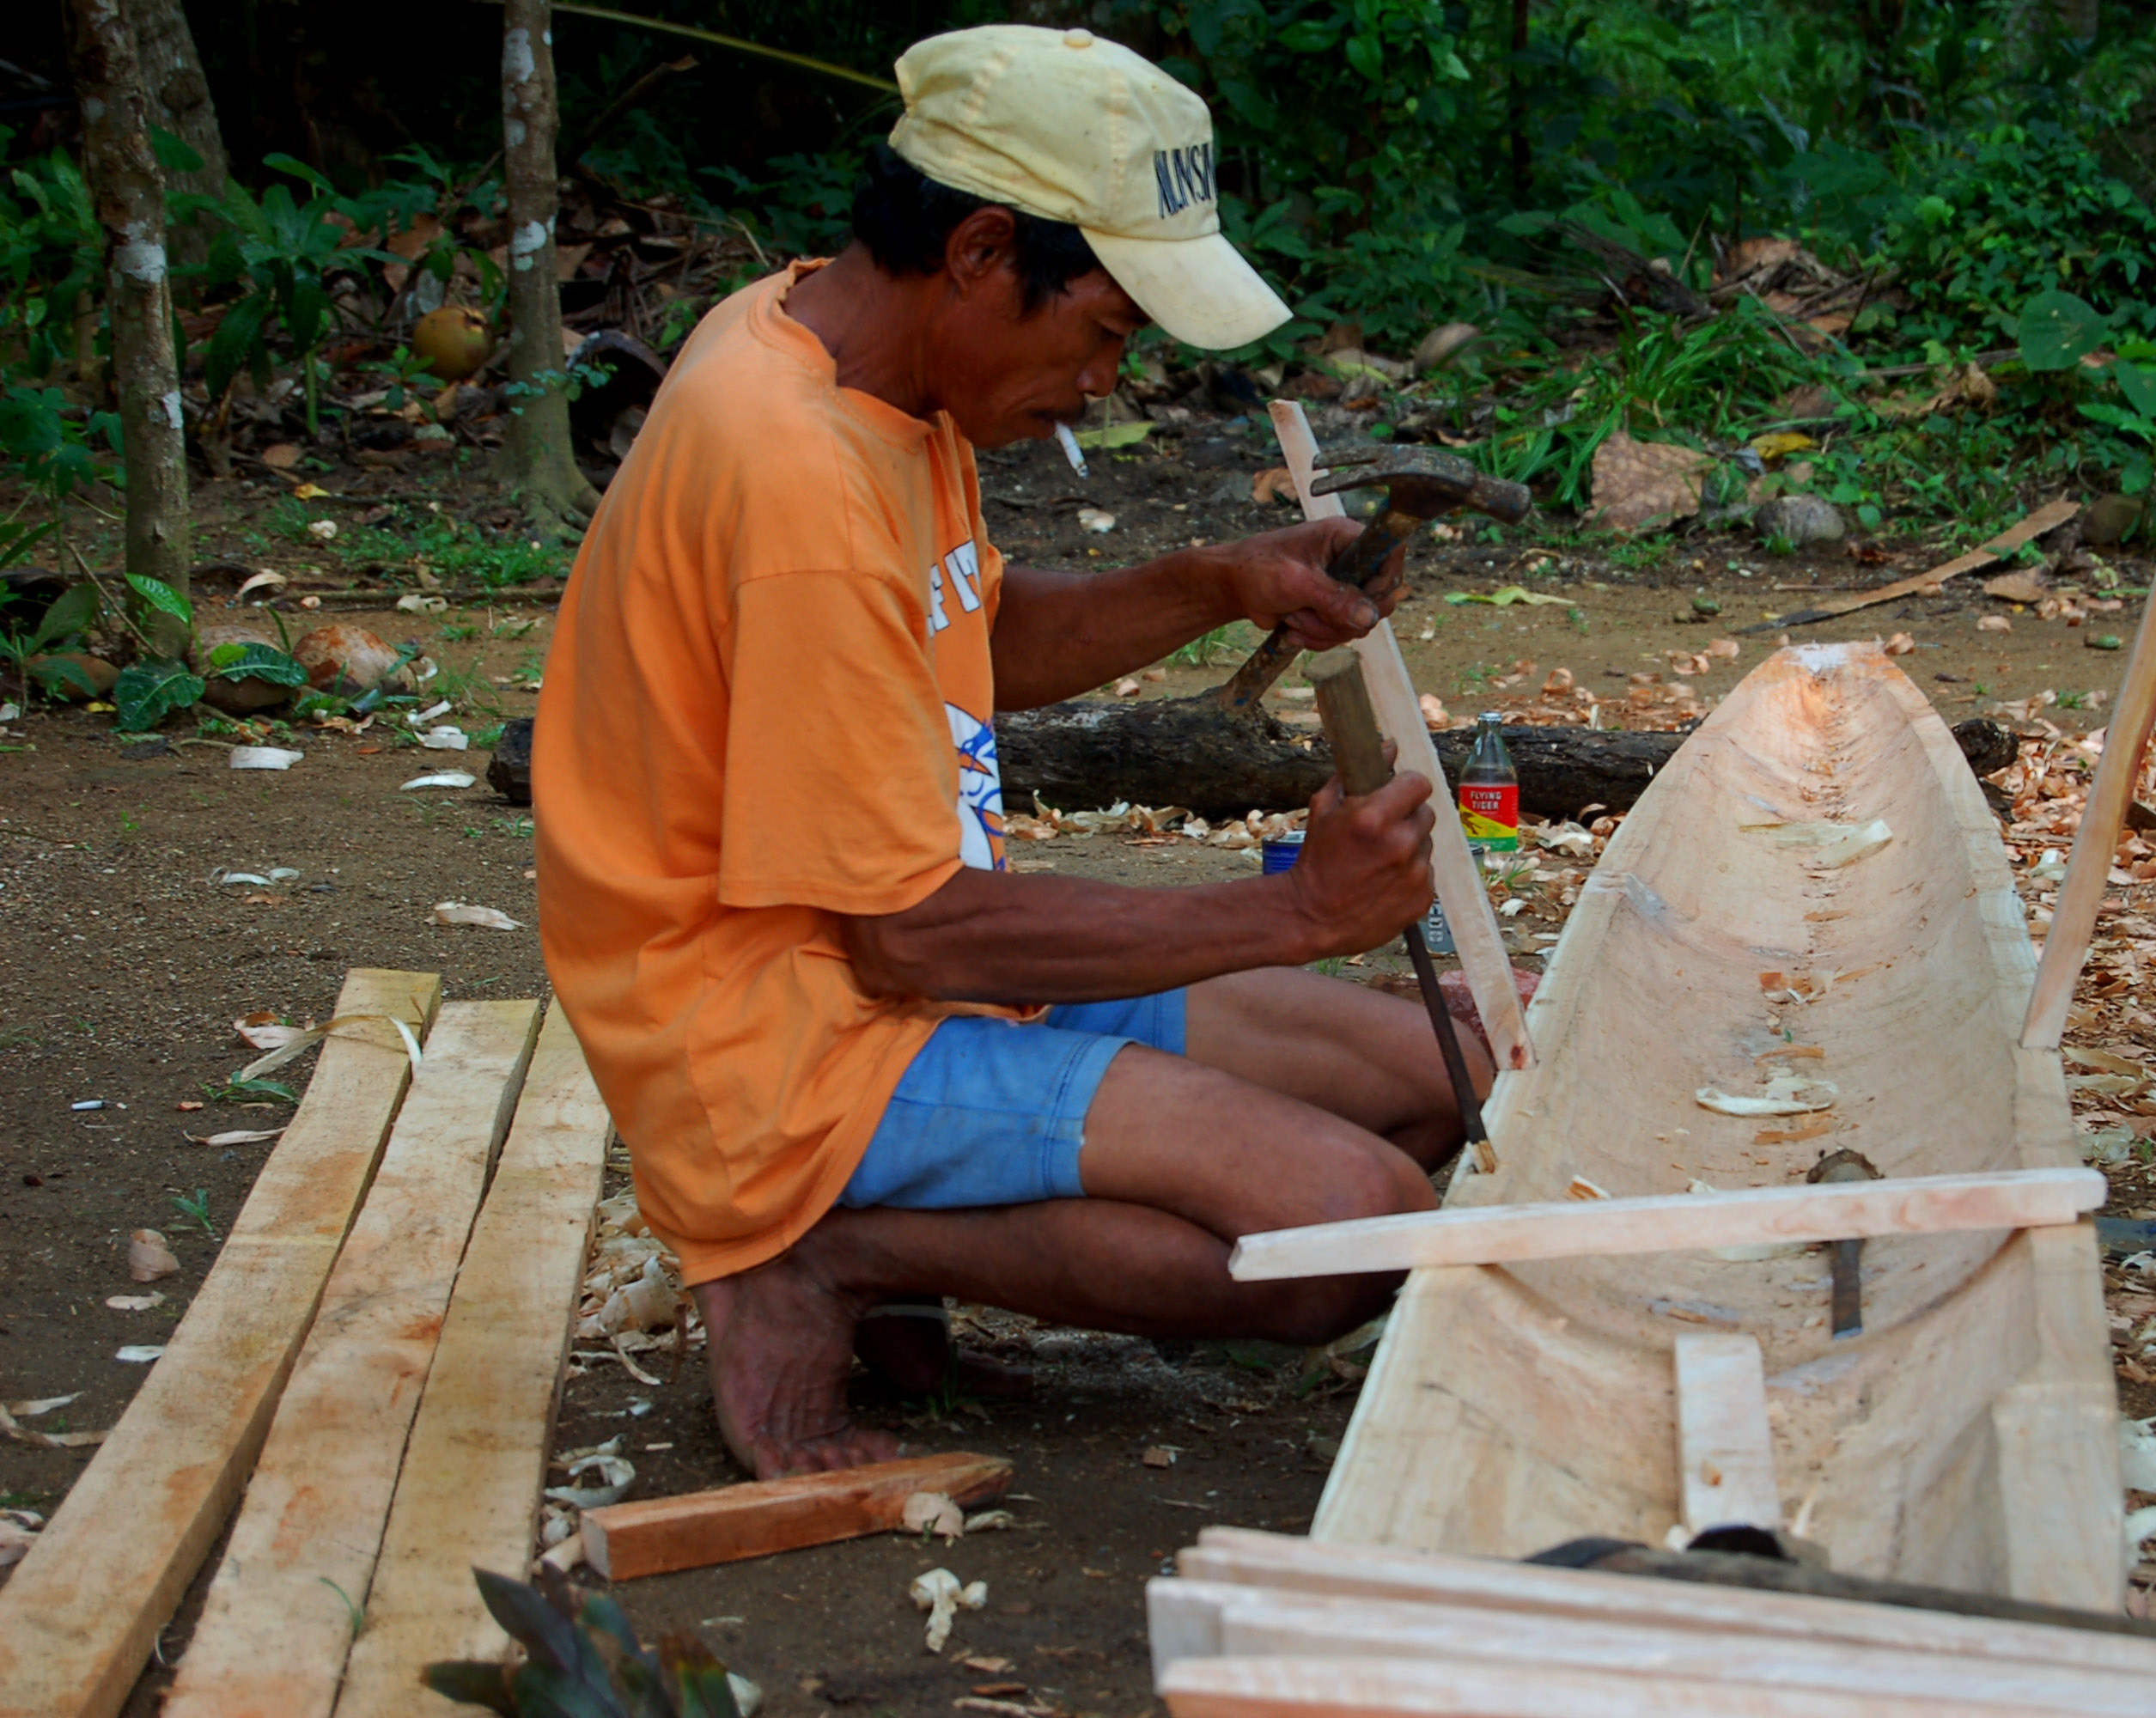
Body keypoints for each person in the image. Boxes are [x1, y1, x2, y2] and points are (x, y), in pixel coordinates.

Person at [533, 23, 1490, 1478]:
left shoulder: (848, 358)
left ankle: (908, 1250)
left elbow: (971, 638)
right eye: (1105, 329)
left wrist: (1222, 580)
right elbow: (916, 935)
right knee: (1356, 1231)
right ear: (983, 252)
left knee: (1452, 1069)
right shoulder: (795, 474)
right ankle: (817, 1251)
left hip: (899, 975)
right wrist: (1294, 915)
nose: (1108, 378)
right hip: (774, 1039)